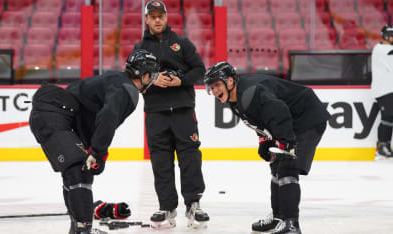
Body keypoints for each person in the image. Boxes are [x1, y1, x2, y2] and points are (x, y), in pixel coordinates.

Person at [28, 49, 159, 234]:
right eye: (152, 76)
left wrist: (93, 152)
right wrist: (98, 153)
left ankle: (78, 228)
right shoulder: (128, 90)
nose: (152, 81)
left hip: (53, 112)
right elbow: (107, 119)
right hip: (54, 114)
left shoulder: (115, 79)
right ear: (145, 75)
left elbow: (84, 109)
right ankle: (83, 230)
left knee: (77, 172)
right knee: (79, 170)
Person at [204, 62, 330, 234]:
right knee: (276, 166)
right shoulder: (235, 98)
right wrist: (264, 141)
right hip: (293, 119)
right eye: (212, 87)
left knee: (287, 166)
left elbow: (279, 111)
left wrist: (286, 142)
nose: (215, 91)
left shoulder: (250, 93)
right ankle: (279, 218)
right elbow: (261, 119)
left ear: (231, 81)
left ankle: (291, 224)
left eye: (217, 84)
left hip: (307, 118)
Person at [133, 0, 209, 229]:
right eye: (152, 16)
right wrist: (153, 79)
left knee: (190, 158)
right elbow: (132, 77)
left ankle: (193, 204)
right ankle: (167, 206)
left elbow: (200, 70)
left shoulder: (181, 43)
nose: (157, 20)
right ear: (146, 20)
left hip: (183, 111)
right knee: (160, 161)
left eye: (160, 16)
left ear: (166, 18)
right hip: (156, 113)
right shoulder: (139, 48)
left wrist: (181, 80)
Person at [371, 25, 393, 160]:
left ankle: (386, 145)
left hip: (389, 88)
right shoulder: (379, 49)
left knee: (390, 118)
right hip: (383, 89)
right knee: (387, 117)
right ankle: (381, 147)